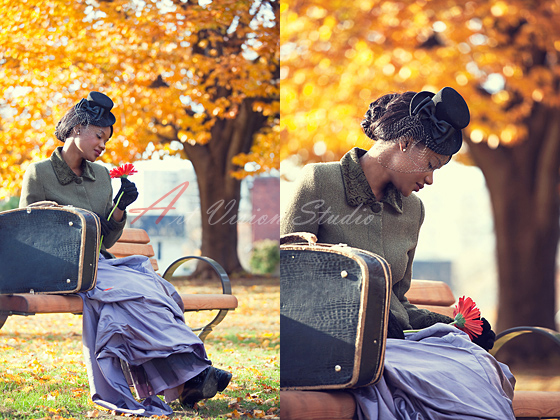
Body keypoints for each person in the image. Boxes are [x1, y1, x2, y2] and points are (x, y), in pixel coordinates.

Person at [281, 87, 516, 419]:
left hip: (394, 347)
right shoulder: (319, 181)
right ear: (404, 143)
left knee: (476, 366)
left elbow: (397, 302)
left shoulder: (412, 211)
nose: (431, 179)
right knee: (444, 389)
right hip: (332, 348)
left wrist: (453, 325)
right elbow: (287, 275)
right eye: (431, 164)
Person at [19, 91, 232, 416]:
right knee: (133, 290)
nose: (103, 145)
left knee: (152, 289)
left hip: (99, 263)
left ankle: (190, 378)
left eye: (106, 139)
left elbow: (107, 234)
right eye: (99, 135)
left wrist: (120, 208)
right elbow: (28, 229)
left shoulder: (102, 176)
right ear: (77, 128)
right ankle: (192, 374)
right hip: (59, 268)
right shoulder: (39, 173)